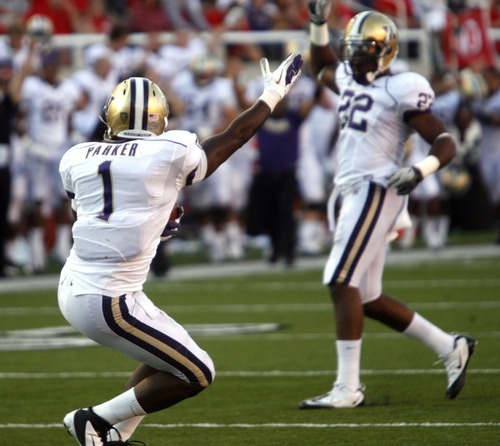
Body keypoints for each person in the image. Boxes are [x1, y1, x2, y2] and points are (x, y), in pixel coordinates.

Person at [58, 53, 303, 445]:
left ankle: (115, 434)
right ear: (160, 116)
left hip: (76, 282)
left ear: (111, 115)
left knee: (164, 354)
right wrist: (271, 95)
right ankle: (95, 419)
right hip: (107, 298)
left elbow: (98, 209)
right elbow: (232, 139)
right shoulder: (170, 149)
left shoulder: (76, 156)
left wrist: (153, 225)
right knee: (198, 371)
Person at [298, 2, 476, 409]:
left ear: (384, 51)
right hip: (350, 189)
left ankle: (348, 388)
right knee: (367, 296)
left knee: (340, 280)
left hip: (377, 188)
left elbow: (444, 141)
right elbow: (322, 63)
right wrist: (319, 24)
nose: (353, 55)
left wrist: (420, 170)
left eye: (363, 48)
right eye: (352, 47)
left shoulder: (401, 87)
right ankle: (451, 347)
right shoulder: (349, 77)